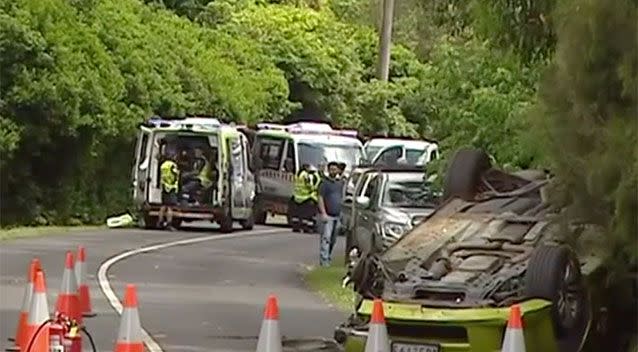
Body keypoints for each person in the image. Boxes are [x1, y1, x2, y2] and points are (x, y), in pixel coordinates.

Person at [317, 161, 345, 266]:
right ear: (328, 170)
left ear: (338, 170)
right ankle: (324, 261)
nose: (333, 171)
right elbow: (320, 198)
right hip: (327, 215)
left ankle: (328, 256)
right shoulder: (324, 183)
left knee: (333, 239)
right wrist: (323, 213)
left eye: (335, 169)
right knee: (326, 238)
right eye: (331, 169)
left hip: (338, 215)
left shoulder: (340, 183)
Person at [158, 148, 180, 230]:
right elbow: (175, 174)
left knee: (163, 206)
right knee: (170, 207)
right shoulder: (172, 165)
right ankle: (169, 224)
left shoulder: (163, 165)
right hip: (171, 187)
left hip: (164, 186)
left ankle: (160, 222)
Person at [289, 164, 313, 232]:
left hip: (296, 196)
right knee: (305, 214)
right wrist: (311, 189)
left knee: (296, 214)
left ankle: (295, 227)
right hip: (304, 197)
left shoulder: (298, 174)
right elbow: (308, 184)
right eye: (308, 168)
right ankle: (305, 228)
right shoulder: (305, 175)